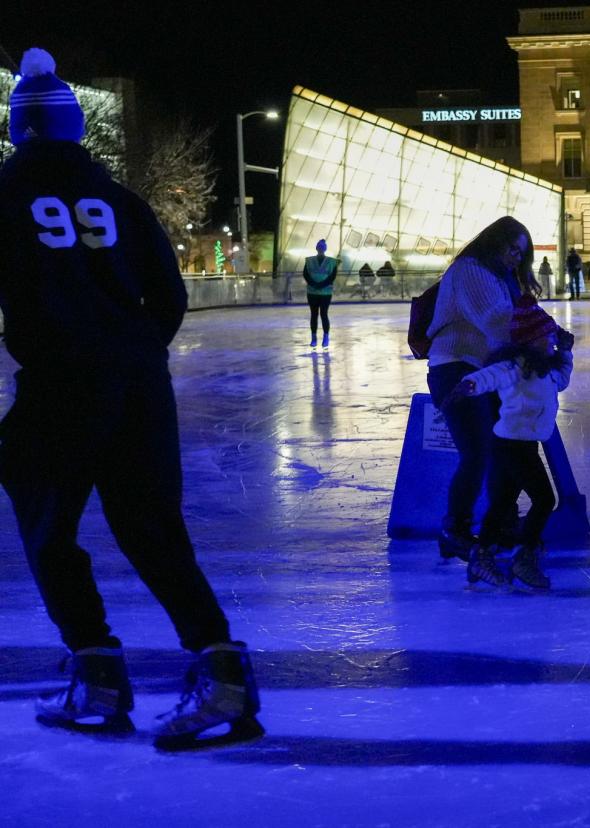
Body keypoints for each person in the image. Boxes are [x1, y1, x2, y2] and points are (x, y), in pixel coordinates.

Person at [0, 48, 261, 751]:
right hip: (140, 384)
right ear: (76, 129)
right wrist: (136, 353)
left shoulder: (5, 196)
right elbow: (168, 296)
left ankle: (97, 671)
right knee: (153, 530)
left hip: (60, 386)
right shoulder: (120, 200)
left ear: (20, 129)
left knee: (49, 531)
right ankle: (221, 671)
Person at [424, 216, 534, 561]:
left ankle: (501, 521)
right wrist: (539, 339)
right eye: (512, 249)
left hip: (486, 372)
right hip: (455, 369)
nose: (516, 258)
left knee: (507, 449)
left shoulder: (498, 276)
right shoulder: (470, 270)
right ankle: (454, 530)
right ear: (494, 240)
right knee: (478, 452)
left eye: (521, 254)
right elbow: (499, 324)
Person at [448, 297, 574, 590]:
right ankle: (523, 556)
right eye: (547, 336)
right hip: (511, 444)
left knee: (503, 502)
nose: (551, 340)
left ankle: (481, 556)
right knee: (544, 499)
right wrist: (470, 384)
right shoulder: (515, 368)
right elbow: (490, 376)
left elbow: (563, 380)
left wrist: (566, 353)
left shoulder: (546, 367)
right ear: (531, 341)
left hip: (522, 444)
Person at [302, 239, 338, 346]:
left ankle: (325, 337)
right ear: (317, 248)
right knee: (314, 314)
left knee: (323, 314)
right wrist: (314, 284)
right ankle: (314, 338)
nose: (321, 249)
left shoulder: (332, 262)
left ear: (324, 249)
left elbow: (332, 276)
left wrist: (319, 284)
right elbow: (306, 274)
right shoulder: (309, 261)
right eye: (320, 247)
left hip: (324, 293)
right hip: (313, 292)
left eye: (322, 248)